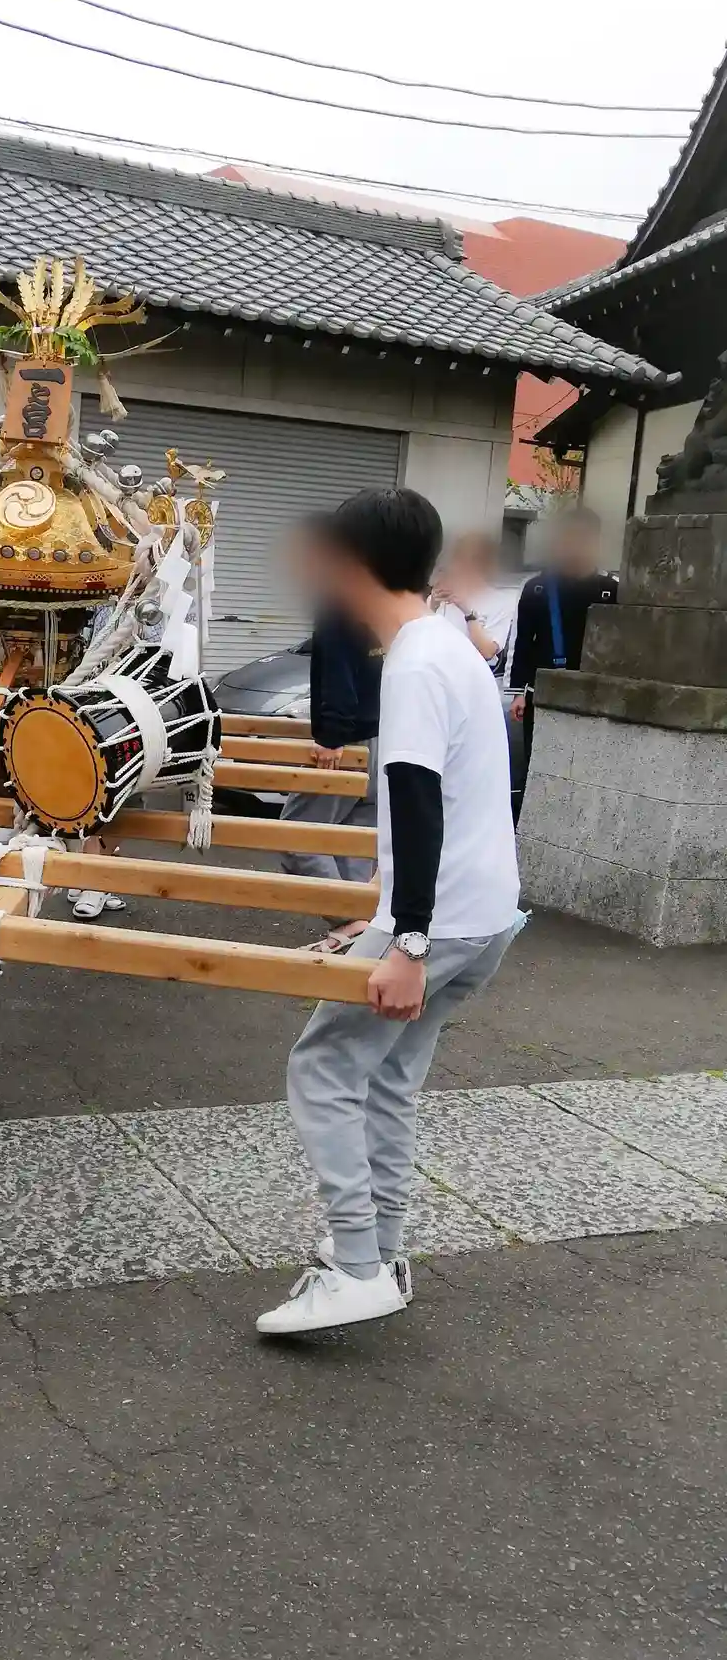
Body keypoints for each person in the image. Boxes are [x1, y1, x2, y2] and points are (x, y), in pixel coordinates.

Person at [257, 487, 520, 1338]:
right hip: (484, 914)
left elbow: (416, 804)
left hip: (441, 923)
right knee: (388, 1078)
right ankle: (383, 1253)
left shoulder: (412, 662)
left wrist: (406, 943)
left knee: (323, 1068)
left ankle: (356, 1267)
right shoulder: (448, 645)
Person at [278, 599, 382, 954]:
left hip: (349, 742)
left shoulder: (340, 607)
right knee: (354, 839)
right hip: (380, 736)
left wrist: (332, 735)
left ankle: (349, 919)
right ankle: (360, 928)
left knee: (297, 834)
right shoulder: (381, 602)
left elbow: (339, 671)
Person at [508, 506, 618, 820]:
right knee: (537, 764)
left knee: (586, 769)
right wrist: (519, 692)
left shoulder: (611, 590)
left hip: (594, 694)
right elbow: (524, 641)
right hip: (542, 693)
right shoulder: (538, 588)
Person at [431, 530, 518, 680]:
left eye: (473, 560)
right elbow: (418, 638)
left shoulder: (502, 602)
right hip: (437, 676)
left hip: (473, 680)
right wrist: (432, 605)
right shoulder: (440, 597)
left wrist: (467, 612)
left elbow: (488, 651)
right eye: (459, 559)